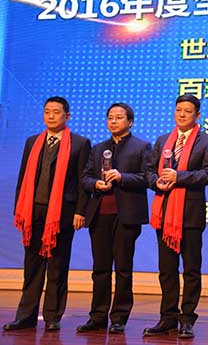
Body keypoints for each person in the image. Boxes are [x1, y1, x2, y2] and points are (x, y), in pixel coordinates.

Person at [4, 96, 91, 332]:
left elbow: (83, 181)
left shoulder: (80, 143)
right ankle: (26, 316)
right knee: (32, 266)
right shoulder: (33, 142)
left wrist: (80, 211)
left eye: (56, 112)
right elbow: (23, 177)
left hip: (63, 213)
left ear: (67, 116)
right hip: (33, 212)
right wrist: (19, 209)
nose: (51, 116)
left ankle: (53, 316)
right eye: (47, 111)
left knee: (57, 266)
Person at [143, 94, 208, 339]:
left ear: (197, 115)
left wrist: (179, 177)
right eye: (178, 110)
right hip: (164, 212)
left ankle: (187, 319)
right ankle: (167, 317)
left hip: (190, 214)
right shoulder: (163, 140)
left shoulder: (207, 141)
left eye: (187, 110)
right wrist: (156, 182)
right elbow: (148, 171)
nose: (182, 114)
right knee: (166, 269)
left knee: (191, 269)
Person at [76, 103, 151, 334]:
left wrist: (122, 177)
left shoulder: (142, 147)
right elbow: (84, 178)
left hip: (126, 216)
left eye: (119, 117)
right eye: (110, 117)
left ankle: (119, 317)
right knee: (100, 269)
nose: (114, 121)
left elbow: (147, 178)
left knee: (123, 269)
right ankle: (97, 317)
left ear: (130, 121)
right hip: (100, 215)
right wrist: (96, 184)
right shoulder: (98, 148)